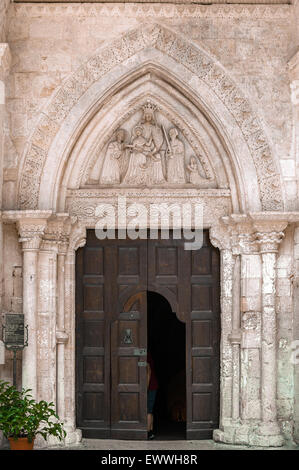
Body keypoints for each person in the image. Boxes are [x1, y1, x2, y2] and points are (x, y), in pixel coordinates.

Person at [147, 351, 158, 440]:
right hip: (153, 385)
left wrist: (146, 388)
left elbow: (148, 371)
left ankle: (148, 433)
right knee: (150, 410)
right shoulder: (149, 355)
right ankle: (151, 431)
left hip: (150, 387)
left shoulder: (146, 355)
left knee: (148, 410)